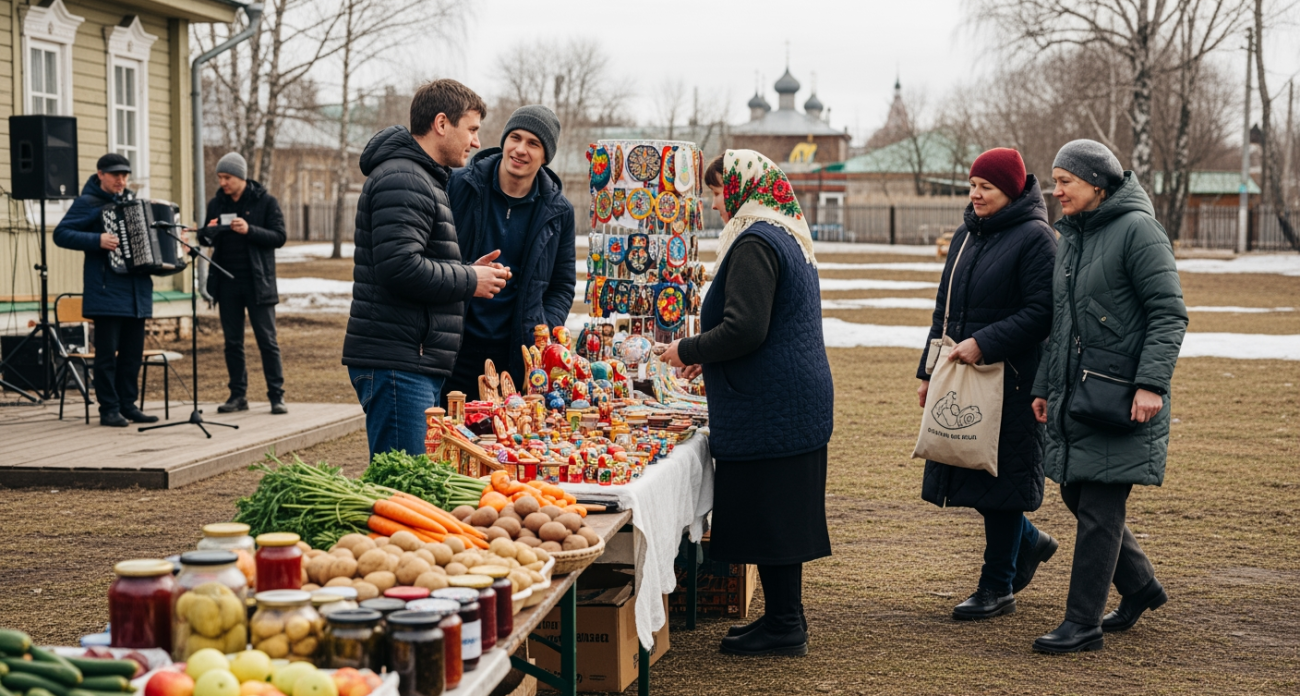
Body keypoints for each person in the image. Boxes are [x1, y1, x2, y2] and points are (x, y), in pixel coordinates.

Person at [662, 150, 834, 657]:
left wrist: (689, 349)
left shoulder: (756, 242)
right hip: (786, 397)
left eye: (719, 191)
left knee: (773, 514)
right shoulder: (783, 233)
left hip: (772, 401)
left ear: (742, 189)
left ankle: (785, 625)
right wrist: (708, 356)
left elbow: (745, 328)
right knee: (778, 513)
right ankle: (785, 618)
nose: (715, 203)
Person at [1030, 139, 1188, 654]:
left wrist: (1151, 384)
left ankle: (1082, 624)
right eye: (1055, 181)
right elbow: (1062, 323)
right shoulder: (1074, 235)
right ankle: (1140, 586)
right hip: (1078, 392)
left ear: (1097, 184)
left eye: (1065, 181)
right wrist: (1043, 386)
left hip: (1120, 392)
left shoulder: (1139, 230)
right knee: (1077, 493)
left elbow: (1168, 313)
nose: (1056, 191)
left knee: (1099, 505)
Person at [916, 148, 1059, 621]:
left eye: (986, 187)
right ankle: (1029, 542)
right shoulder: (965, 235)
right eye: (972, 185)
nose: (975, 195)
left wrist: (985, 343)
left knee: (1001, 486)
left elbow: (1042, 312)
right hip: (961, 374)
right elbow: (944, 312)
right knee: (968, 472)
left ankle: (997, 587)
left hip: (1012, 380)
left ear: (1011, 191)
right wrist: (928, 372)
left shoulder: (1036, 238)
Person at [342, 79, 510, 460]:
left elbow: (409, 259)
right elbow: (400, 267)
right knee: (403, 484)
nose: (476, 142)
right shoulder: (405, 178)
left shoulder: (422, 178)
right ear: (441, 124)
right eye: (471, 129)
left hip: (410, 360)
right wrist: (469, 279)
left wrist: (465, 271)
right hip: (398, 363)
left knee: (413, 481)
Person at [446, 105, 575, 393]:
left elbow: (562, 286)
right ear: (504, 140)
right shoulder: (458, 186)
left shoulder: (559, 211)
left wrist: (541, 328)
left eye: (533, 143)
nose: (520, 149)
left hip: (517, 355)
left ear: (546, 156)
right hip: (453, 347)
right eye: (515, 137)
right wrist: (468, 275)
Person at [52, 154, 159, 427]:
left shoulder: (133, 203)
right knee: (106, 356)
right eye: (115, 175)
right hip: (106, 290)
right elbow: (61, 234)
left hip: (136, 293)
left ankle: (128, 405)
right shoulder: (88, 202)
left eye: (124, 175)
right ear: (100, 174)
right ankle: (109, 409)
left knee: (132, 355)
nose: (121, 180)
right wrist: (97, 239)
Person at [198, 152, 288, 415]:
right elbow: (205, 238)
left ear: (241, 177)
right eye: (220, 177)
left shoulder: (266, 202)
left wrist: (250, 230)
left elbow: (279, 236)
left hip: (258, 283)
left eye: (227, 177)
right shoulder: (217, 203)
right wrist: (208, 232)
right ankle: (238, 396)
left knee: (267, 341)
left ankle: (276, 396)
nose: (222, 183)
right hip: (227, 284)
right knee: (232, 343)